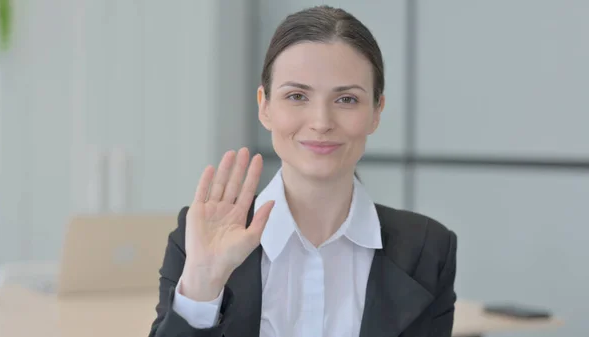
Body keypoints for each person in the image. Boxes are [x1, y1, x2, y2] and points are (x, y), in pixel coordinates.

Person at [149, 5, 457, 337]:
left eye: (347, 100)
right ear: (265, 106)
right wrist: (203, 284)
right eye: (297, 96)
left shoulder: (428, 250)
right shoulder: (202, 236)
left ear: (376, 112)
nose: (321, 122)